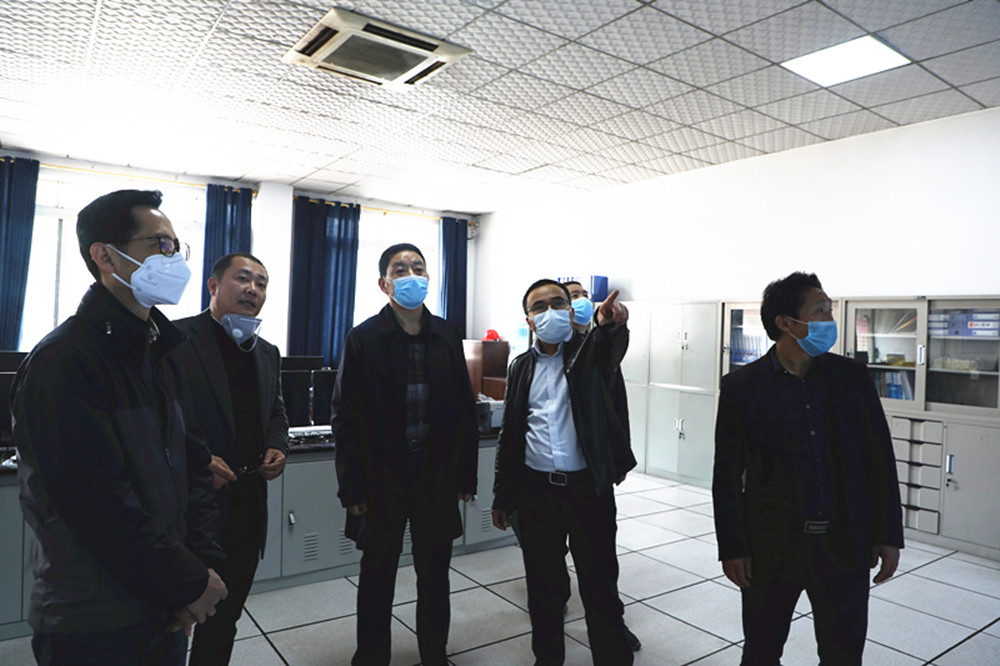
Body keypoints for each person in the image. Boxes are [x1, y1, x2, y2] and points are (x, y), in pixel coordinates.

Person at [12, 189, 228, 665]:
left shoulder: (162, 350)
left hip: (166, 607)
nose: (173, 258)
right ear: (105, 256)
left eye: (176, 246)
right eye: (159, 245)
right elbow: (96, 504)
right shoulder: (64, 361)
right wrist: (186, 581)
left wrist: (198, 569)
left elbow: (194, 466)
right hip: (95, 617)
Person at [712, 271, 904, 666]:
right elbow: (727, 475)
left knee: (843, 653)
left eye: (829, 310)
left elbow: (879, 459)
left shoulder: (851, 377)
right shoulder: (742, 387)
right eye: (820, 311)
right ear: (785, 322)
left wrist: (888, 534)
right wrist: (732, 546)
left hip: (844, 543)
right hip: (770, 546)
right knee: (762, 651)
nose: (830, 319)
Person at [332, 243, 478, 666]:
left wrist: (466, 476)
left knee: (435, 576)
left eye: (418, 267)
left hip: (436, 476)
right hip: (381, 479)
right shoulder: (363, 337)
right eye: (400, 269)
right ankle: (371, 657)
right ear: (384, 284)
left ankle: (434, 654)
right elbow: (344, 417)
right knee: (377, 577)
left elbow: (464, 409)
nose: (411, 274)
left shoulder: (447, 334)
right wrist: (351, 487)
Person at [492, 279, 636, 666]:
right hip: (536, 493)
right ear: (529, 320)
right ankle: (548, 659)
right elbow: (511, 434)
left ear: (571, 312)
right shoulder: (521, 366)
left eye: (558, 303)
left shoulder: (591, 354)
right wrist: (502, 494)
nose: (550, 311)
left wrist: (611, 326)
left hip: (587, 491)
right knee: (544, 591)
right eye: (539, 307)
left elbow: (610, 347)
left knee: (600, 587)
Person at [174, 252, 289, 664]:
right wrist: (195, 459)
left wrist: (278, 443)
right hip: (189, 508)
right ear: (213, 285)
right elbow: (158, 417)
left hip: (246, 504)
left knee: (224, 620)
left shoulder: (267, 352)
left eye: (261, 283)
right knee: (171, 622)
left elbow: (276, 412)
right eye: (243, 279)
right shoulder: (174, 340)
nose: (253, 289)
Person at [562, 279, 641, 653]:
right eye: (570, 297)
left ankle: (613, 626)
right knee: (552, 560)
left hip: (592, 473)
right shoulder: (543, 354)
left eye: (582, 295)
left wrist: (617, 456)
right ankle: (557, 603)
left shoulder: (599, 347)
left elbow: (615, 406)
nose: (579, 301)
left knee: (601, 561)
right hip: (549, 478)